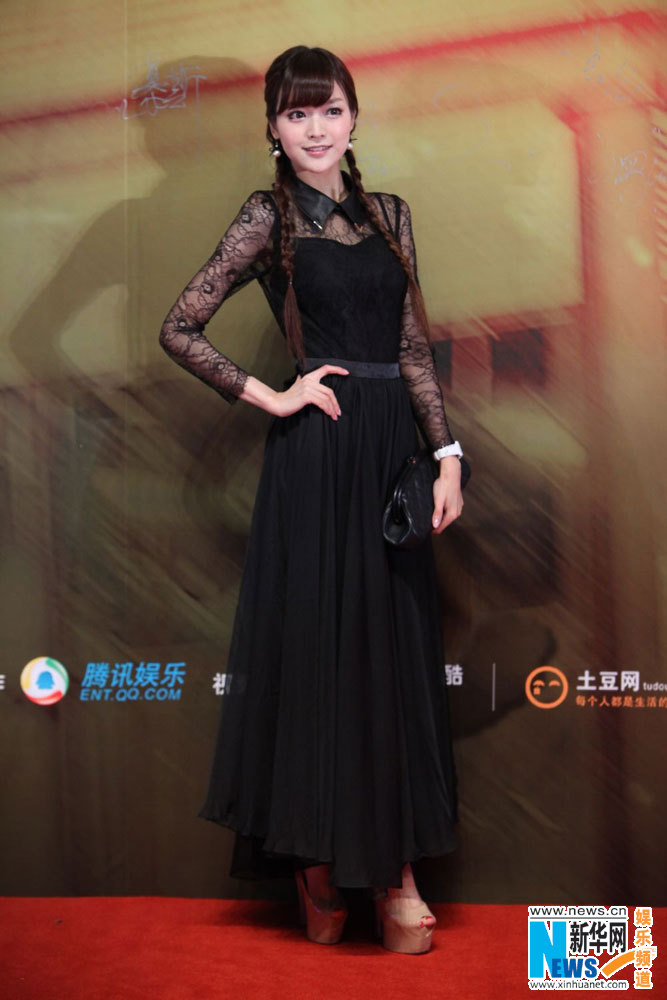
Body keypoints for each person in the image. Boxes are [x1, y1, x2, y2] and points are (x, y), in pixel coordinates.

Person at [158, 45, 464, 955]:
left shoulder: (391, 214)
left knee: (389, 664)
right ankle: (316, 865)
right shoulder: (267, 217)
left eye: (329, 110)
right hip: (317, 456)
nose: (316, 129)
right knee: (321, 660)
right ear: (273, 129)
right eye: (297, 114)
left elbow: (411, 346)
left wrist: (446, 456)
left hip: (389, 458)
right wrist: (273, 395)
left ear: (354, 117)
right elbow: (180, 327)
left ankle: (396, 873)